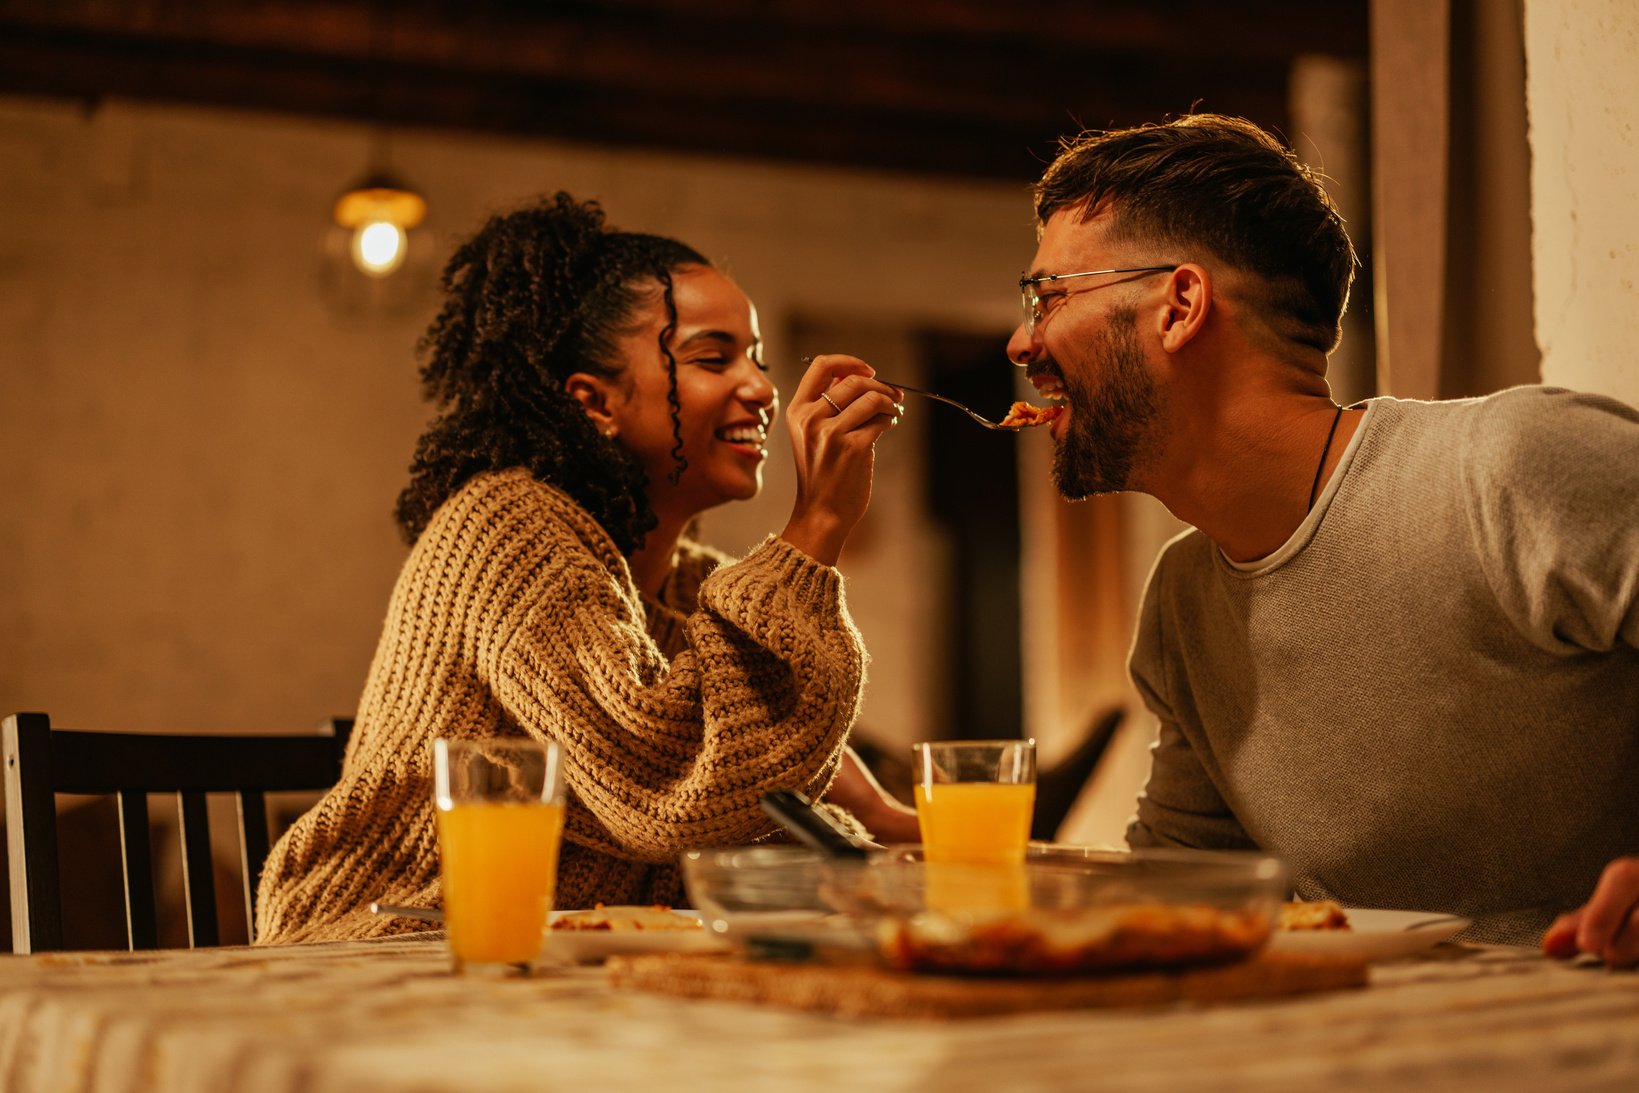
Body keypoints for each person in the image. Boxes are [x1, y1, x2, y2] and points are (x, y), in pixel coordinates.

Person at [999, 114, 1638, 962]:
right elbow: (1182, 893)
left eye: (1047, 297)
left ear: (1181, 305)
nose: (1021, 342)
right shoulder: (1183, 603)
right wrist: (958, 874)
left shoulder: (1509, 469)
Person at [256, 192, 907, 944]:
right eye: (711, 357)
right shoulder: (505, 531)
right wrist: (816, 524)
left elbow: (746, 789)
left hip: (552, 959)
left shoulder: (691, 586)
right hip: (386, 946)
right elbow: (671, 790)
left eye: (757, 357)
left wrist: (880, 835)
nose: (762, 388)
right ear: (594, 403)